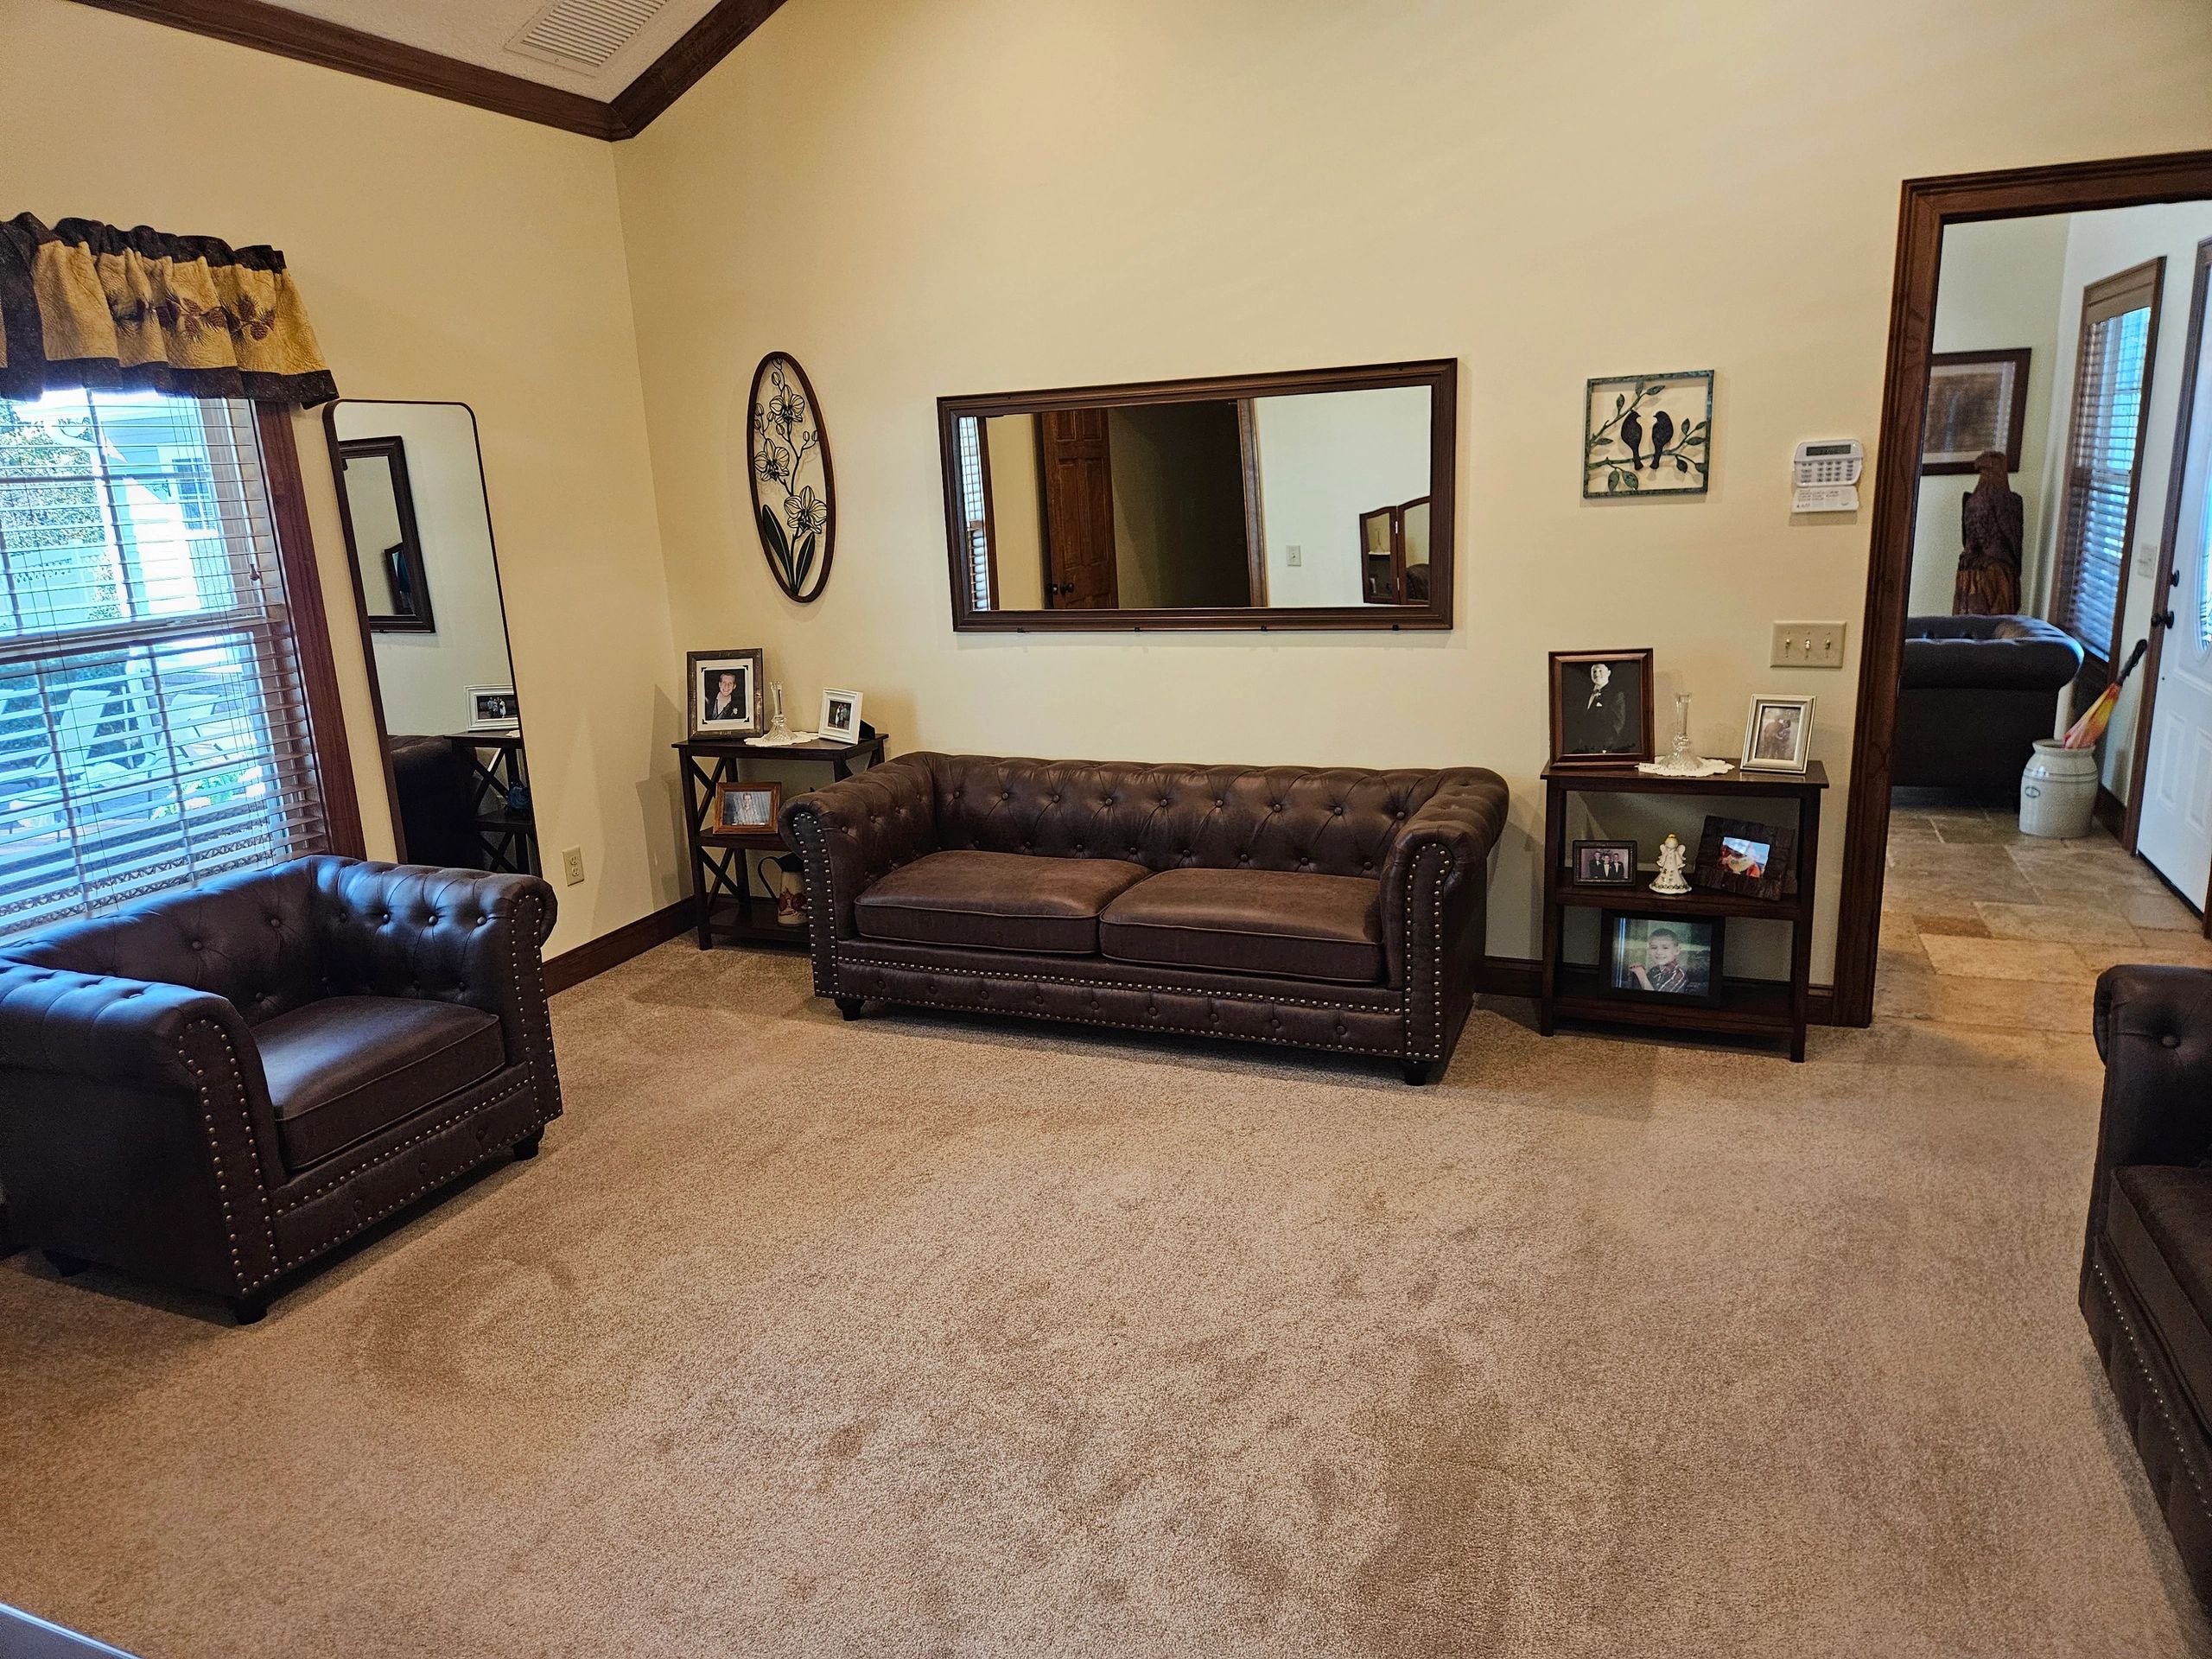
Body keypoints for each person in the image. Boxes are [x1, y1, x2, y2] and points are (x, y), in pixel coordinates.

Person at [1954, 449, 2024, 616]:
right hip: (1977, 557)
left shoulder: (2004, 499)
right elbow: (1969, 537)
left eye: (1993, 459)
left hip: (1997, 557)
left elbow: (2008, 540)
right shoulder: (1971, 499)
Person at [1575, 661, 1632, 753]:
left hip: (1603, 749)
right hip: (1584, 748)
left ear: (1609, 673)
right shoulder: (1587, 693)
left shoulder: (1616, 694)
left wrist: (1605, 748)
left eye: (1600, 670)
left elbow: (1617, 725)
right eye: (1594, 671)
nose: (1597, 674)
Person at [1628, 926, 1695, 994]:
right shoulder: (1654, 970)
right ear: (1649, 950)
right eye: (1654, 947)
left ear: (1677, 950)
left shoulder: (1678, 975)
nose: (1659, 952)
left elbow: (1656, 999)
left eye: (1665, 948)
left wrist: (1641, 974)